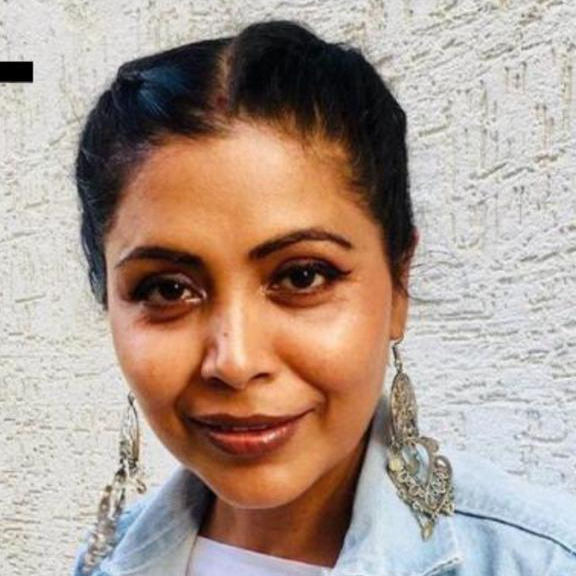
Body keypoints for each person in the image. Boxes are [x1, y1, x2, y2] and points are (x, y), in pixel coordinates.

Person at [70, 19, 576, 576]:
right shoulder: (106, 558)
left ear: (399, 283)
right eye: (168, 289)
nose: (236, 362)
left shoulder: (543, 561)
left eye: (302, 277)